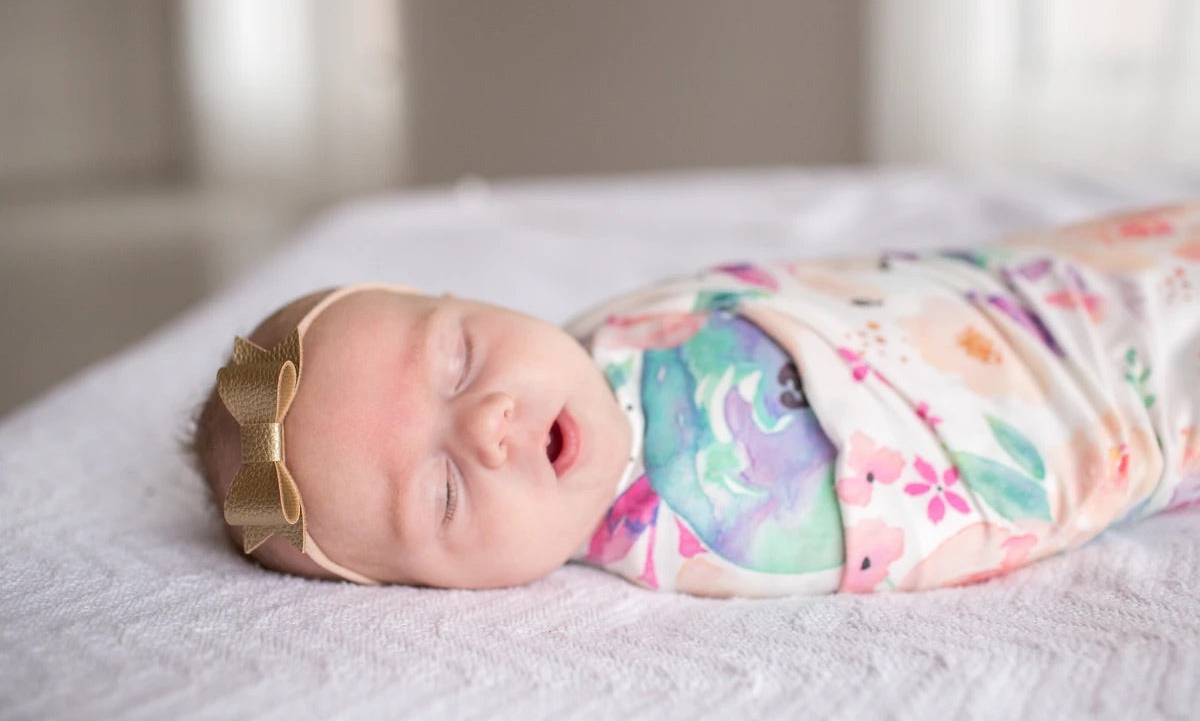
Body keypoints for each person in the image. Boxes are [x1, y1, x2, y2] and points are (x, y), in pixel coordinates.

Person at [190, 202, 1200, 596]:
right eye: (443, 493)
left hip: (1031, 287)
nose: (489, 421)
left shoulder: (619, 329)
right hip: (1109, 397)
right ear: (429, 589)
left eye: (457, 358)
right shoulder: (695, 539)